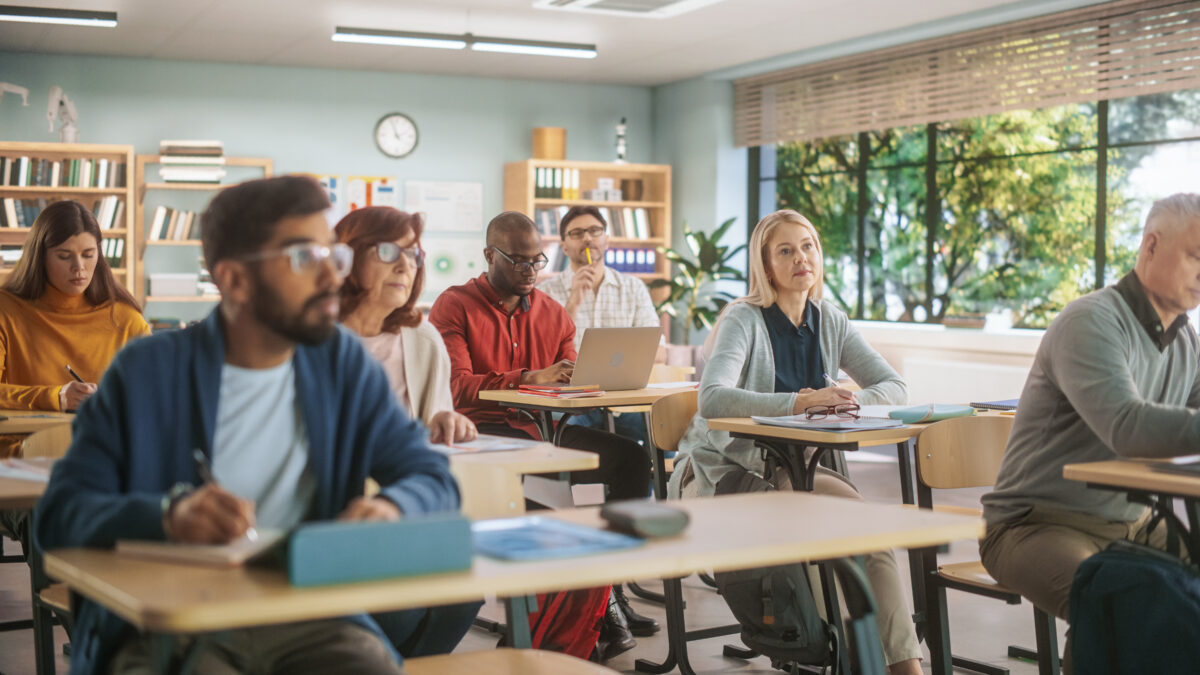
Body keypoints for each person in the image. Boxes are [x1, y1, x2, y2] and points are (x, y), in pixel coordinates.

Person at [36, 176, 465, 675]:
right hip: (175, 622)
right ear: (235, 280)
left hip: (307, 613)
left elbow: (433, 478)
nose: (331, 278)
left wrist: (393, 505)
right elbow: (58, 518)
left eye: (335, 257)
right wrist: (168, 517)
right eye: (306, 259)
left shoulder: (340, 364)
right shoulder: (146, 371)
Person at [666, 209, 922, 675]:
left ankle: (907, 668)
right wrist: (801, 403)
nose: (801, 257)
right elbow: (712, 398)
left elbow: (894, 387)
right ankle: (848, 661)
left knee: (871, 535)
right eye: (785, 250)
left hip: (794, 472)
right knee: (817, 537)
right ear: (766, 266)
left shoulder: (831, 320)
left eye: (808, 246)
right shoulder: (742, 319)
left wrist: (845, 400)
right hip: (725, 476)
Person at [980, 193, 1200, 670]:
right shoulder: (1092, 320)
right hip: (1034, 525)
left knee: (1168, 596)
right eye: (1196, 256)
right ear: (1151, 246)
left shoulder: (1186, 339)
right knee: (1122, 600)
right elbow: (1128, 427)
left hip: (1134, 523)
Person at [427, 211, 655, 657]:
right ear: (489, 255)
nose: (530, 270)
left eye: (537, 260)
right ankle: (557, 617)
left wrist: (586, 381)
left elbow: (568, 377)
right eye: (517, 260)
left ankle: (610, 587)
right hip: (483, 433)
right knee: (540, 511)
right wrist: (529, 376)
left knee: (629, 458)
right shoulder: (453, 305)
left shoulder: (554, 316)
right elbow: (456, 387)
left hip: (542, 429)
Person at [0, 200, 148, 455]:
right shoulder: (6, 310)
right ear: (40, 257)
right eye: (64, 256)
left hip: (104, 455)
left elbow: (153, 397)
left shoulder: (126, 320)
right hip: (22, 456)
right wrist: (56, 397)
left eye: (88, 255)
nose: (79, 267)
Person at [335, 206, 476, 444]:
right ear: (348, 257)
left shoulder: (423, 338)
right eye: (387, 251)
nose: (404, 266)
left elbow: (435, 421)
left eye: (412, 254)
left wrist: (446, 422)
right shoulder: (308, 336)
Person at [538, 205, 663, 446]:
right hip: (571, 403)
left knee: (663, 433)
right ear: (564, 245)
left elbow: (658, 351)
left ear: (606, 239)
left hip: (622, 402)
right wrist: (573, 302)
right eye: (576, 233)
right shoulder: (545, 293)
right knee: (563, 434)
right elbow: (542, 355)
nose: (587, 238)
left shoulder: (633, 288)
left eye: (595, 231)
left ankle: (657, 484)